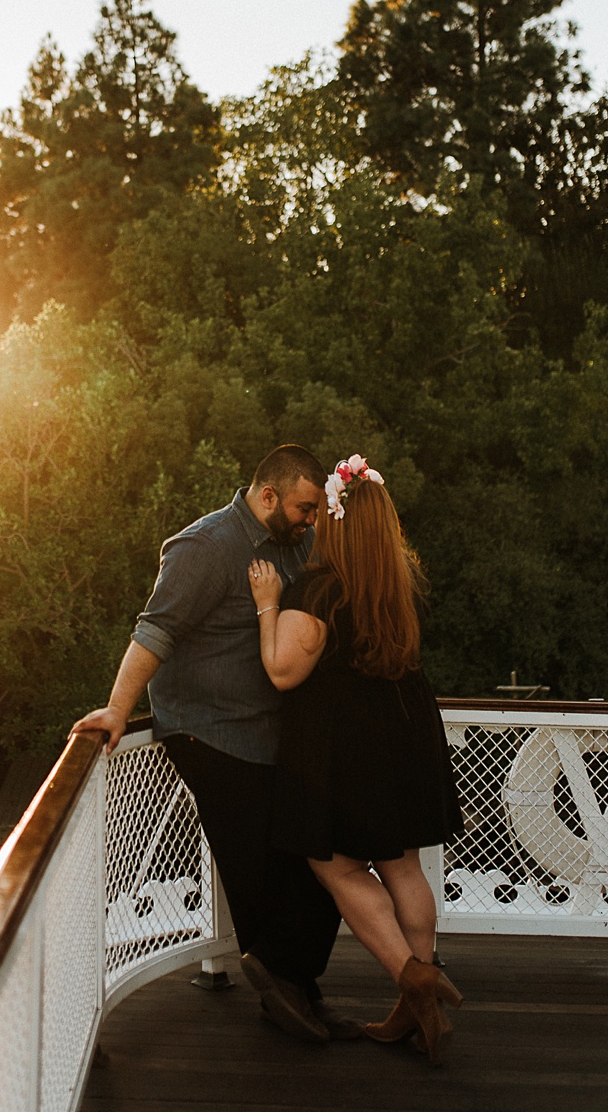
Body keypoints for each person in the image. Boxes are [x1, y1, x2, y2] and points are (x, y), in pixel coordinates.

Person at [70, 445, 358, 1044]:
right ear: (268, 494)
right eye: (305, 507)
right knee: (258, 870)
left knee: (319, 860)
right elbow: (157, 630)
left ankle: (293, 987)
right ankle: (295, 995)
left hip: (274, 732)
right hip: (210, 732)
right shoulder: (207, 546)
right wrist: (119, 710)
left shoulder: (298, 543)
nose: (313, 518)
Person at [246, 453, 464, 1065]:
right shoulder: (397, 585)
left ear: (336, 524)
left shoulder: (316, 587)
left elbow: (283, 671)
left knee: (338, 868)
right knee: (403, 867)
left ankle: (413, 981)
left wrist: (268, 602)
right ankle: (419, 1003)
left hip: (345, 750)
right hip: (403, 737)